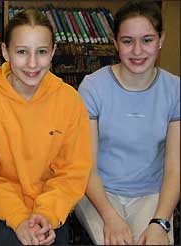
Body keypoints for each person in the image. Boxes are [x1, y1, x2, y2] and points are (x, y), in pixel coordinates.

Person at [0, 8, 92, 246]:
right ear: (5, 51)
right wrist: (18, 218)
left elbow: (73, 172)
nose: (33, 63)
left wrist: (47, 213)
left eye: (42, 52)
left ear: (53, 52)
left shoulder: (69, 101)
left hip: (52, 209)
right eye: (22, 52)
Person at [75, 1, 180, 245]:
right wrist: (110, 217)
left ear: (160, 39)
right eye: (127, 41)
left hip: (152, 195)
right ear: (115, 43)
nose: (137, 50)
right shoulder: (93, 87)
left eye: (147, 39)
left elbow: (174, 168)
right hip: (98, 193)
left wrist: (160, 222)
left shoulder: (175, 89)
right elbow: (86, 167)